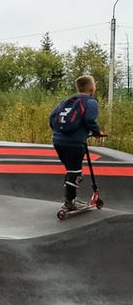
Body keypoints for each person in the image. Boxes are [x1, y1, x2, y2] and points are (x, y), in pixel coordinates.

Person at [51, 74, 106, 212]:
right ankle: (70, 202)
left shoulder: (66, 101)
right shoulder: (91, 102)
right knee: (76, 173)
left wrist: (60, 133)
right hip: (74, 143)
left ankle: (70, 198)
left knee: (72, 171)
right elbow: (90, 119)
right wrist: (97, 132)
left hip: (58, 141)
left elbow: (52, 118)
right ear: (92, 89)